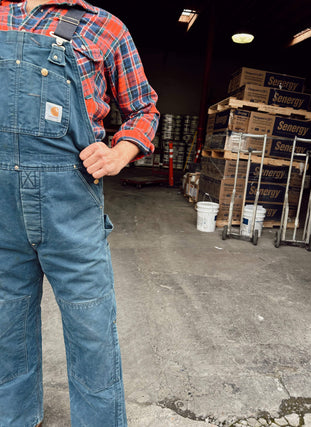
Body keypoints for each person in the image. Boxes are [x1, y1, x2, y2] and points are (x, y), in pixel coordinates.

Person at [0, 0, 159, 425]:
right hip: (1, 213)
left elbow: (144, 109)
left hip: (71, 205)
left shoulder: (106, 27)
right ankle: (14, 416)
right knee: (5, 325)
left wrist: (120, 152)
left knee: (91, 329)